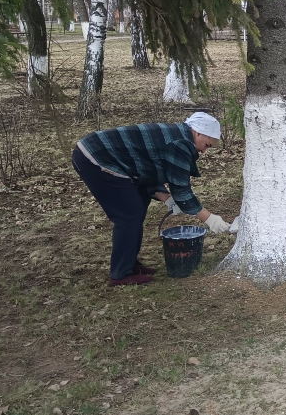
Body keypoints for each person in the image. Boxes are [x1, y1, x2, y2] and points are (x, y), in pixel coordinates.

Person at [72, 112, 236, 286]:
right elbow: (182, 191)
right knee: (129, 213)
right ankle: (120, 274)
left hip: (104, 155)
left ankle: (130, 263)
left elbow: (147, 169)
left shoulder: (177, 135)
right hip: (96, 157)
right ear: (197, 132)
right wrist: (209, 219)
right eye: (207, 145)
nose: (203, 151)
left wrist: (167, 199)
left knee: (139, 203)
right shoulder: (180, 144)